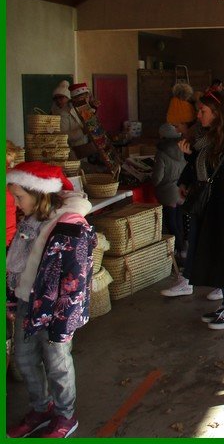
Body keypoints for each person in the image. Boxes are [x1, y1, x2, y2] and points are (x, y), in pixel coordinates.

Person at [6, 162, 97, 438]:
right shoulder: (31, 218)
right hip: (27, 301)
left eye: (19, 197)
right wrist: (12, 299)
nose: (16, 204)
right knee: (24, 359)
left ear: (39, 193)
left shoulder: (70, 225)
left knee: (57, 363)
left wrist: (65, 322)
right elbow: (17, 264)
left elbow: (76, 279)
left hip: (56, 310)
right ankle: (41, 408)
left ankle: (65, 415)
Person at [174, 90, 224, 329]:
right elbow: (206, 169)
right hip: (211, 209)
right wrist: (189, 166)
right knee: (219, 256)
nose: (198, 115)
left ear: (217, 113)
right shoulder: (208, 140)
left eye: (203, 111)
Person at [151, 123, 187, 260]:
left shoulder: (161, 153)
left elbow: (157, 178)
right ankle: (183, 248)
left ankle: (179, 249)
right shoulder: (183, 149)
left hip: (167, 193)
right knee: (179, 221)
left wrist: (151, 179)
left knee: (171, 223)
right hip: (181, 190)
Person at [50, 80, 92, 158]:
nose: (58, 101)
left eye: (86, 97)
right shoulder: (63, 113)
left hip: (86, 150)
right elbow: (62, 136)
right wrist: (82, 131)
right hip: (72, 153)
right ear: (73, 99)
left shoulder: (85, 109)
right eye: (81, 97)